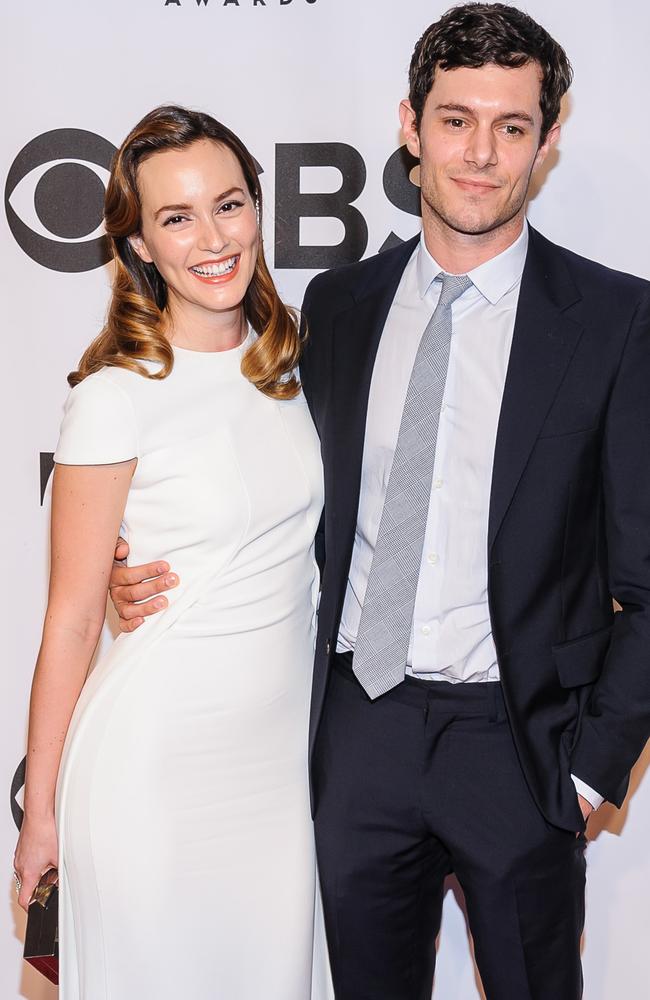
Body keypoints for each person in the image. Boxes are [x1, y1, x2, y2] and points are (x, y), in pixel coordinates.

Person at [109, 5, 650, 999]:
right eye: (454, 120)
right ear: (409, 125)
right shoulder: (339, 304)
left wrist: (589, 767)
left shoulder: (615, 319)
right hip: (355, 732)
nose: (479, 155)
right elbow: (266, 485)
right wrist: (130, 553)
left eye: (511, 125)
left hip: (519, 745)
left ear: (549, 137)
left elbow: (644, 579)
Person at [13, 105, 330, 1000]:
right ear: (141, 245)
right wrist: (41, 815)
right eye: (176, 217)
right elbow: (72, 619)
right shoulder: (116, 396)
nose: (212, 238)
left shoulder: (299, 367)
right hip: (149, 775)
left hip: (273, 789)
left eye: (228, 205)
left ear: (259, 210)